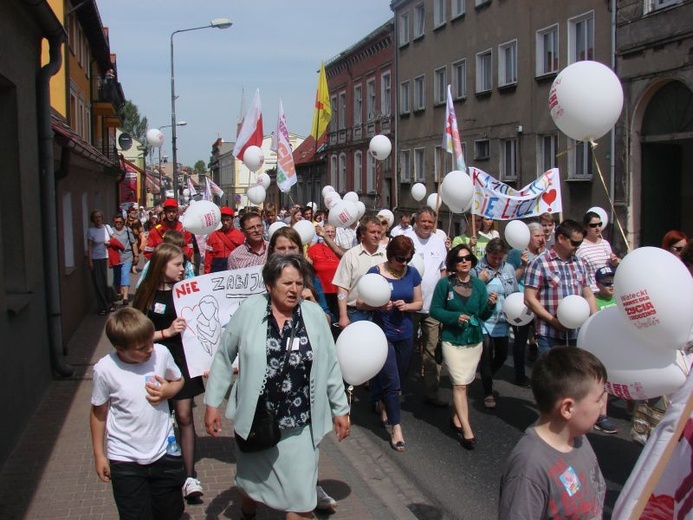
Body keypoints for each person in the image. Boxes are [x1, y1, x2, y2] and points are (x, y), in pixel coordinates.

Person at [204, 254, 350, 520]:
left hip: (300, 424)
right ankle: (248, 510)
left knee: (302, 501)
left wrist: (340, 409)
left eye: (298, 283)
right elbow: (224, 356)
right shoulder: (249, 310)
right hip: (258, 419)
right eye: (287, 283)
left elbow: (330, 365)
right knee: (249, 485)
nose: (294, 289)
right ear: (269, 285)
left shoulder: (314, 316)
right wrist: (212, 403)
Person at [90, 307, 185, 519]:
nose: (150, 349)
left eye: (151, 342)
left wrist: (168, 390)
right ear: (120, 348)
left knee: (170, 513)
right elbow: (99, 412)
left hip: (164, 453)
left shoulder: (161, 354)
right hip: (125, 459)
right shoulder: (104, 369)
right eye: (141, 348)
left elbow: (178, 380)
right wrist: (99, 454)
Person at [132, 243, 206, 502]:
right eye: (177, 264)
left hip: (184, 362)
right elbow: (134, 335)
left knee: (184, 416)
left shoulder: (185, 292)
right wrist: (166, 333)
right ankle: (158, 471)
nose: (183, 269)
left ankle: (189, 476)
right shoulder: (145, 294)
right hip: (153, 364)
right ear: (162, 266)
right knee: (159, 417)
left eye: (183, 264)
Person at [498, 347, 607, 519]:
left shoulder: (578, 437)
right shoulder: (529, 469)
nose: (602, 406)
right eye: (598, 399)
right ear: (567, 408)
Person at [361, 236, 423, 451]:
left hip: (405, 332)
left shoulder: (413, 273)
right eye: (400, 259)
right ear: (390, 256)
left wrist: (407, 306)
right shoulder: (375, 273)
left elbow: (419, 303)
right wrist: (379, 305)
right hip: (383, 333)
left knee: (401, 373)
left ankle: (379, 398)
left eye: (408, 258)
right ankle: (396, 428)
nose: (404, 263)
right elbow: (360, 301)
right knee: (392, 379)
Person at [430, 245, 495, 449]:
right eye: (459, 259)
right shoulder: (444, 285)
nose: (464, 262)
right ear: (453, 263)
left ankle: (456, 417)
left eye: (467, 258)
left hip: (473, 340)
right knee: (458, 383)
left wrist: (490, 305)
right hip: (452, 340)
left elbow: (483, 315)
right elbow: (435, 310)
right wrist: (454, 317)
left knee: (465, 383)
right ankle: (467, 429)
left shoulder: (479, 285)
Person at [524, 219, 597, 354]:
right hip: (549, 334)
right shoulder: (539, 263)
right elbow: (529, 299)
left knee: (575, 374)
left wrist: (595, 320)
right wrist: (554, 321)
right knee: (552, 373)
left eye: (580, 243)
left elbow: (588, 293)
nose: (577, 246)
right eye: (575, 243)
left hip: (577, 332)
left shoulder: (580, 263)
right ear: (561, 238)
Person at [404, 208, 448, 407]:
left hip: (432, 306)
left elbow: (443, 269)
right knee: (405, 347)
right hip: (409, 304)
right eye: (423, 221)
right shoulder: (406, 238)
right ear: (417, 221)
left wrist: (444, 294)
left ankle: (432, 393)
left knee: (432, 350)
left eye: (430, 222)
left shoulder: (438, 241)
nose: (427, 225)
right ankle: (398, 389)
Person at [472, 238, 517, 409]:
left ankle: (486, 374)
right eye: (493, 258)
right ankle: (488, 391)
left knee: (502, 355)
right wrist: (481, 282)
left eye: (500, 258)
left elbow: (513, 293)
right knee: (486, 354)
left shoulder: (509, 269)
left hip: (502, 319)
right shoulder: (477, 269)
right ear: (487, 254)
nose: (497, 261)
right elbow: (470, 292)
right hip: (484, 319)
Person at [506, 222, 545, 383]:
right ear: (527, 237)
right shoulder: (516, 253)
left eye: (543, 236)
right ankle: (520, 375)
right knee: (520, 341)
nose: (541, 239)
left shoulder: (546, 254)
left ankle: (543, 376)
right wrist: (522, 265)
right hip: (521, 303)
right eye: (537, 236)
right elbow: (512, 279)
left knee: (543, 340)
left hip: (542, 303)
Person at [332, 216, 387, 329]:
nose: (376, 236)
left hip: (380, 313)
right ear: (363, 233)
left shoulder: (386, 256)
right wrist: (343, 315)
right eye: (372, 232)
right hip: (356, 313)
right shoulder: (350, 256)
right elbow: (342, 288)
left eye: (379, 232)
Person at [576, 211, 620, 292]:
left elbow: (611, 267)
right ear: (585, 227)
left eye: (599, 224)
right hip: (593, 291)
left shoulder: (605, 243)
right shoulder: (580, 247)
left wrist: (614, 262)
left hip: (608, 290)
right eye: (593, 225)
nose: (597, 228)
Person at [307, 224, 341, 320]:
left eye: (332, 232)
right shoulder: (314, 249)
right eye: (327, 232)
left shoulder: (340, 250)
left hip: (338, 291)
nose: (330, 234)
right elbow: (308, 269)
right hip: (321, 292)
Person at [87, 210, 114, 315]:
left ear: (102, 218)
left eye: (99, 217)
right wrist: (90, 261)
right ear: (93, 219)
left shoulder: (107, 228)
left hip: (108, 258)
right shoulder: (91, 231)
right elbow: (89, 247)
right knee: (99, 284)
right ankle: (102, 307)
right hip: (97, 259)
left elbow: (114, 240)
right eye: (96, 217)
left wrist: (109, 243)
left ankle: (110, 304)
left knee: (109, 282)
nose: (98, 219)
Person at [204, 207, 245, 274]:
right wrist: (207, 273)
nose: (225, 222)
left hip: (233, 268)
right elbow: (208, 256)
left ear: (232, 219)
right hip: (216, 269)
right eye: (223, 220)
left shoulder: (240, 236)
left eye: (227, 220)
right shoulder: (213, 236)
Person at [110, 214, 139, 307]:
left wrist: (136, 255)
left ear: (123, 222)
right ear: (113, 222)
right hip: (116, 257)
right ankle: (120, 293)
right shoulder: (111, 231)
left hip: (127, 256)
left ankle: (125, 297)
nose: (118, 223)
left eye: (120, 222)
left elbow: (133, 243)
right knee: (117, 277)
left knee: (125, 275)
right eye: (116, 222)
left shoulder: (127, 230)